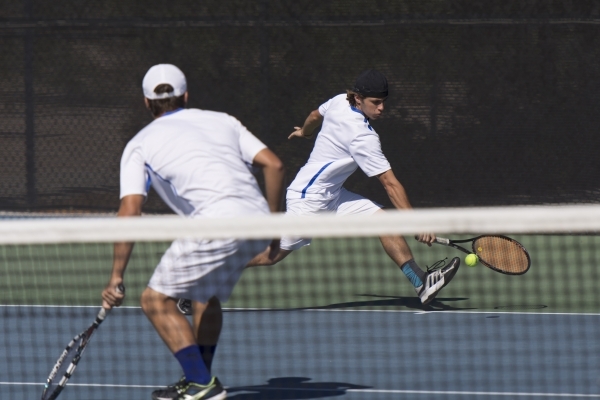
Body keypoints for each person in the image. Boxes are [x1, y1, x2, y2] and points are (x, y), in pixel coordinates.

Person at [101, 64, 285, 400]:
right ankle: (198, 377)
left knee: (154, 300)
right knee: (203, 295)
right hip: (256, 219)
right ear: (186, 96)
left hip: (214, 221)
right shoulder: (223, 120)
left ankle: (202, 384)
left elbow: (129, 211)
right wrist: (273, 230)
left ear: (145, 103)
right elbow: (274, 165)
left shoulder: (139, 145)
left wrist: (116, 276)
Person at [249, 70, 459, 305]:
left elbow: (313, 115)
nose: (381, 108)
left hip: (333, 195)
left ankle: (421, 282)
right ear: (358, 99)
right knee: (271, 255)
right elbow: (390, 184)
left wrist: (304, 133)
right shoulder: (363, 137)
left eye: (383, 102)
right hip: (309, 200)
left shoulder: (340, 100)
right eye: (376, 102)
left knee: (383, 221)